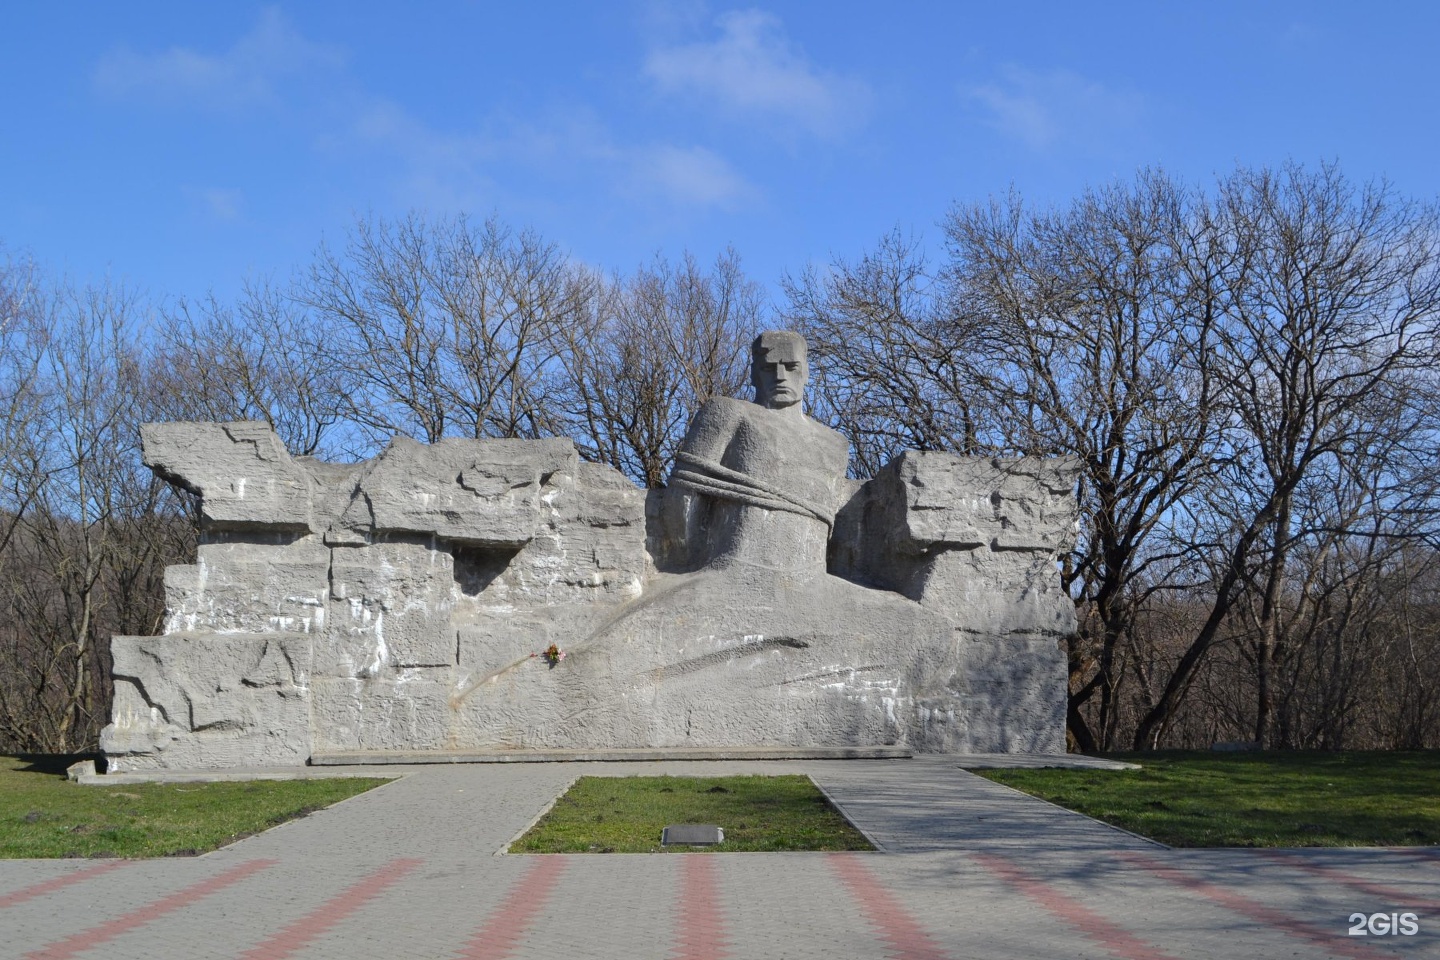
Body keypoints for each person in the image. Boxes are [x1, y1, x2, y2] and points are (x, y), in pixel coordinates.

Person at [665, 331, 849, 577]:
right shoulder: (729, 412)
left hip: (813, 574)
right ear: (753, 374)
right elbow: (684, 494)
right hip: (735, 566)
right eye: (768, 368)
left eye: (791, 367)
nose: (780, 376)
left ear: (806, 372)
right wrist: (687, 557)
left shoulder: (835, 443)